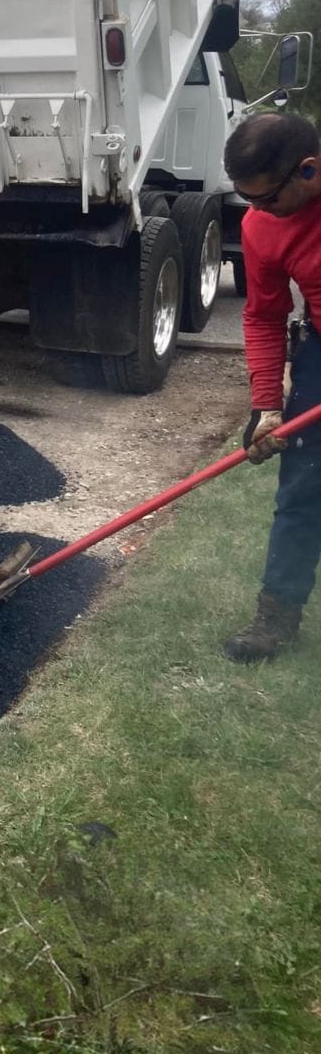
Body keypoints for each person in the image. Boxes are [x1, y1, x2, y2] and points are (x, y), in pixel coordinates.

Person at [223, 111, 321, 662]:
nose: (255, 213)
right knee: (303, 486)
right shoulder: (261, 227)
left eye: (265, 199)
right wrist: (267, 405)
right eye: (246, 200)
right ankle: (277, 617)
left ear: (308, 170)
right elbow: (263, 315)